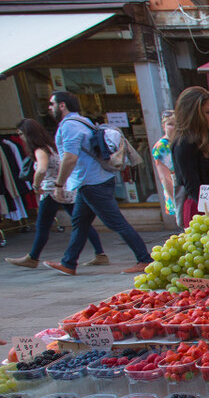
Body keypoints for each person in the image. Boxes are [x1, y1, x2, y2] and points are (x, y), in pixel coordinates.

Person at [41, 91, 152, 276]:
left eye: (52, 104)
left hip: (91, 181)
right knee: (80, 222)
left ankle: (144, 259)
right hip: (94, 180)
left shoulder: (68, 126)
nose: (49, 108)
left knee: (115, 222)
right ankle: (69, 262)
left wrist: (59, 185)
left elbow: (69, 158)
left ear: (62, 105)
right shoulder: (83, 121)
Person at [6, 118, 106, 269]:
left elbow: (41, 169)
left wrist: (35, 184)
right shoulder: (51, 147)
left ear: (28, 134)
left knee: (43, 225)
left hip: (50, 190)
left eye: (21, 134)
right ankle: (100, 254)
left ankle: (33, 257)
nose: (20, 137)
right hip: (65, 189)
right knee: (81, 222)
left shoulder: (40, 150)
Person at [172, 87, 209, 227]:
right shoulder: (184, 144)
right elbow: (193, 186)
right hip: (201, 210)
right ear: (194, 114)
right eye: (208, 112)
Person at [150, 109, 178, 223]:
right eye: (170, 124)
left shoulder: (179, 142)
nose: (174, 128)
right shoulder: (161, 147)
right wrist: (175, 201)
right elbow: (165, 177)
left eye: (176, 124)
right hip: (175, 192)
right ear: (163, 126)